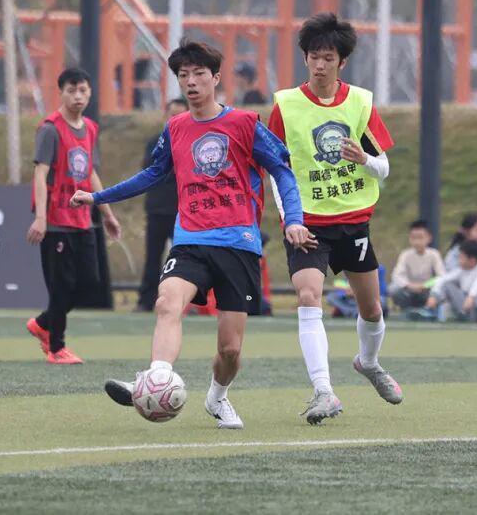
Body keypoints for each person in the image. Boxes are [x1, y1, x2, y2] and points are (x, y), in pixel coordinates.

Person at [75, 39, 311, 429]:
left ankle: (217, 397)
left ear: (216, 78)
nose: (191, 82)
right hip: (190, 240)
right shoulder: (176, 128)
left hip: (238, 243)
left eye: (199, 74)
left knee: (230, 350)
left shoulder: (245, 123)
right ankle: (156, 377)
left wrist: (295, 219)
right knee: (168, 302)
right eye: (183, 75)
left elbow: (283, 171)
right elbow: (153, 174)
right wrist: (99, 197)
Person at [268, 12, 402, 425]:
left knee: (372, 309)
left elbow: (384, 168)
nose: (320, 65)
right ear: (305, 58)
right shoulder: (285, 106)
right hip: (307, 222)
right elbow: (275, 168)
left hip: (353, 221)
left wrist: (364, 159)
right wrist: (290, 219)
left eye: (328, 58)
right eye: (314, 57)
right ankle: (324, 391)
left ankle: (368, 362)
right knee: (309, 296)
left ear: (342, 61)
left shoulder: (360, 102)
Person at [25, 67, 121, 365]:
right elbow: (40, 174)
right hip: (56, 222)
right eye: (71, 90)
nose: (78, 96)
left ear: (90, 93)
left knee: (91, 284)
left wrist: (107, 213)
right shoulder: (50, 129)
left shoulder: (90, 128)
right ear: (61, 93)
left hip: (82, 220)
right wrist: (41, 218)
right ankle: (57, 348)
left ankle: (43, 323)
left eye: (83, 90)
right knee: (61, 286)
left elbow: (90, 172)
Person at [135, 98, 188, 312]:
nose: (175, 119)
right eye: (172, 114)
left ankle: (184, 301)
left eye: (180, 115)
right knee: (152, 257)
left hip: (182, 212)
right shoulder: (155, 143)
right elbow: (151, 171)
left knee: (183, 259)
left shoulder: (192, 143)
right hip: (157, 209)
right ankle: (146, 299)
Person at [419, 240, 477, 322]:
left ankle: (470, 315)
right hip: (465, 307)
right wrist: (433, 295)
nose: (458, 259)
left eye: (461, 257)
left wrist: (471, 296)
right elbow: (442, 279)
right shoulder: (460, 271)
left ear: (472, 260)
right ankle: (428, 311)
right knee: (447, 285)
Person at [391, 219, 446, 311]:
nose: (417, 242)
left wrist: (426, 285)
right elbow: (397, 275)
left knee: (441, 290)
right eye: (413, 238)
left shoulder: (434, 254)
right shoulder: (405, 254)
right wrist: (409, 285)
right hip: (409, 290)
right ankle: (408, 311)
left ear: (429, 238)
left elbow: (442, 276)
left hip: (427, 291)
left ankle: (428, 310)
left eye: (420, 237)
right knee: (394, 288)